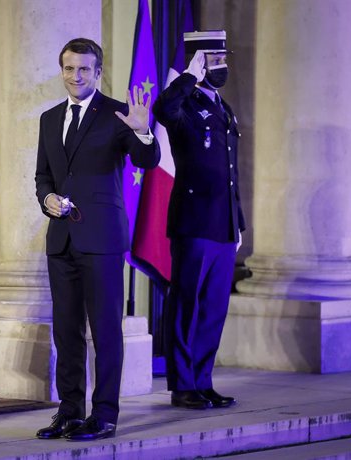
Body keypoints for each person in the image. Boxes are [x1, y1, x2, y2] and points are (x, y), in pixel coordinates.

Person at [34, 38, 160, 441]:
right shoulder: (50, 118)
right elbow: (44, 176)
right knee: (65, 331)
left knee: (105, 332)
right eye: (69, 69)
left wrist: (144, 134)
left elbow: (146, 161)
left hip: (103, 240)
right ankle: (70, 411)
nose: (76, 76)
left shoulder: (117, 115)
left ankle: (104, 415)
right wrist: (47, 198)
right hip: (62, 242)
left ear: (98, 72)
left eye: (84, 69)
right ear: (62, 70)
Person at [154, 30, 245, 410]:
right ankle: (183, 384)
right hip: (193, 222)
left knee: (213, 307)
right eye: (214, 60)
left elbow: (230, 171)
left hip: (223, 224)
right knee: (187, 304)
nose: (222, 66)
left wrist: (237, 222)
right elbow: (161, 111)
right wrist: (187, 77)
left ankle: (204, 380)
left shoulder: (223, 106)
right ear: (198, 62)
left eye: (224, 59)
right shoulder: (184, 103)